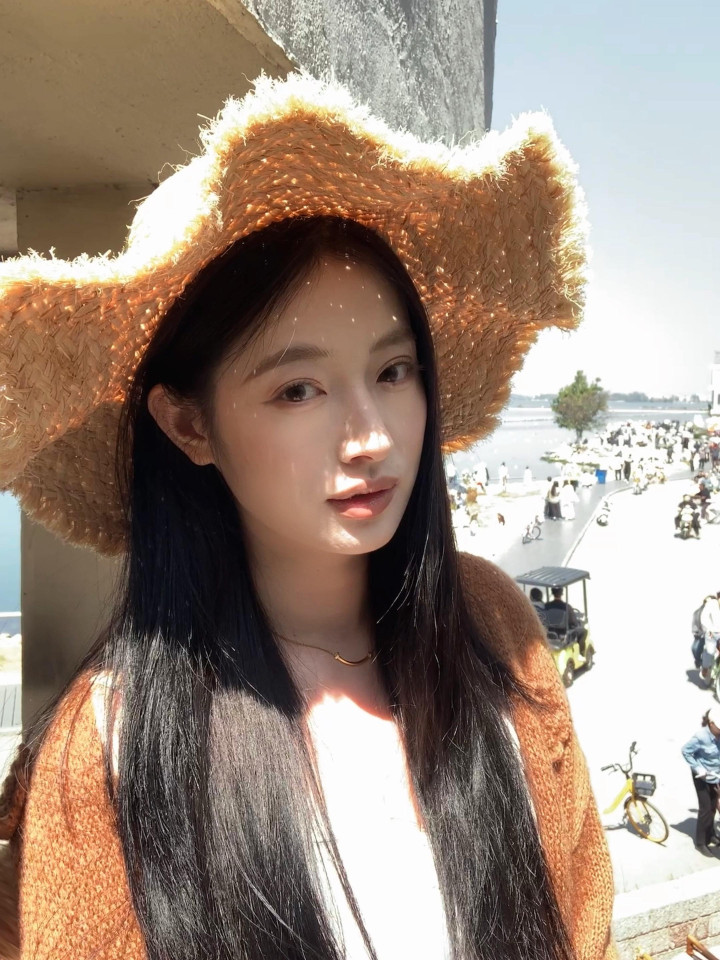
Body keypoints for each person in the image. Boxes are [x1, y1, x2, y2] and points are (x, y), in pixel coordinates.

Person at [0, 75, 614, 959]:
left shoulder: (492, 629)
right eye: (298, 389)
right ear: (189, 425)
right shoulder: (111, 750)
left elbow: (583, 920)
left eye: (393, 372)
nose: (371, 437)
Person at [682, 706, 720, 856]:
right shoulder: (700, 737)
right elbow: (685, 751)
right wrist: (698, 768)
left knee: (713, 807)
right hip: (702, 776)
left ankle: (710, 835)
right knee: (705, 809)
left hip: (715, 775)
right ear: (711, 724)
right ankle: (700, 842)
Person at [545, 587, 587, 653]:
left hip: (551, 632)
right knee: (584, 631)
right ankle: (582, 652)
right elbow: (573, 622)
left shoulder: (547, 606)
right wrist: (577, 623)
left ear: (552, 593)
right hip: (564, 634)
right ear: (562, 593)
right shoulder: (567, 607)